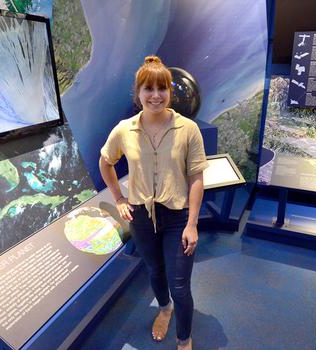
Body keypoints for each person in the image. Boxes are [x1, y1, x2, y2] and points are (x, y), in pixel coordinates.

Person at [99, 56, 208, 350]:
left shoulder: (188, 130)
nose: (156, 95)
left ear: (170, 92)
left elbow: (196, 177)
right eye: (148, 89)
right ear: (138, 93)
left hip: (178, 216)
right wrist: (119, 198)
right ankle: (163, 309)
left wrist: (193, 223)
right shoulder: (124, 130)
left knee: (180, 285)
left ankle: (184, 340)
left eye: (162, 88)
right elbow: (106, 162)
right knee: (155, 271)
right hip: (141, 216)